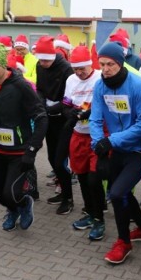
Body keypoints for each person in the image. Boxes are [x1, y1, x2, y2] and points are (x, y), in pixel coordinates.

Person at [0, 43, 48, 231]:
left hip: (19, 150)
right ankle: (14, 209)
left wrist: (32, 149)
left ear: (4, 65)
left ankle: (23, 203)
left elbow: (41, 118)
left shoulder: (20, 85)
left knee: (10, 192)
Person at [90, 41, 141, 263]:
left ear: (120, 63)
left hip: (139, 150)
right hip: (115, 149)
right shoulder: (100, 86)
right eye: (102, 64)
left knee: (116, 194)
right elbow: (95, 118)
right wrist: (99, 144)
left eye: (110, 64)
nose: (105, 69)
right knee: (122, 192)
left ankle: (123, 242)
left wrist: (111, 140)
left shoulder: (138, 86)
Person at [62, 47, 104, 234]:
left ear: (90, 64)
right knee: (81, 176)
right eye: (75, 69)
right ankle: (90, 211)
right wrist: (69, 113)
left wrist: (90, 112)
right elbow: (66, 105)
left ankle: (99, 219)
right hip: (78, 134)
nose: (79, 73)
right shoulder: (71, 80)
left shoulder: (101, 77)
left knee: (94, 179)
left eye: (82, 68)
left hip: (97, 135)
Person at [34, 36, 74, 212]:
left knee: (59, 161)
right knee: (51, 158)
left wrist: (54, 107)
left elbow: (70, 96)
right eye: (40, 60)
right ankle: (63, 191)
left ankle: (68, 198)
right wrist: (42, 104)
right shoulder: (39, 66)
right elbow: (40, 89)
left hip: (64, 118)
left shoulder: (66, 68)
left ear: (53, 56)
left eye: (45, 60)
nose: (42, 63)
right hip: (48, 116)